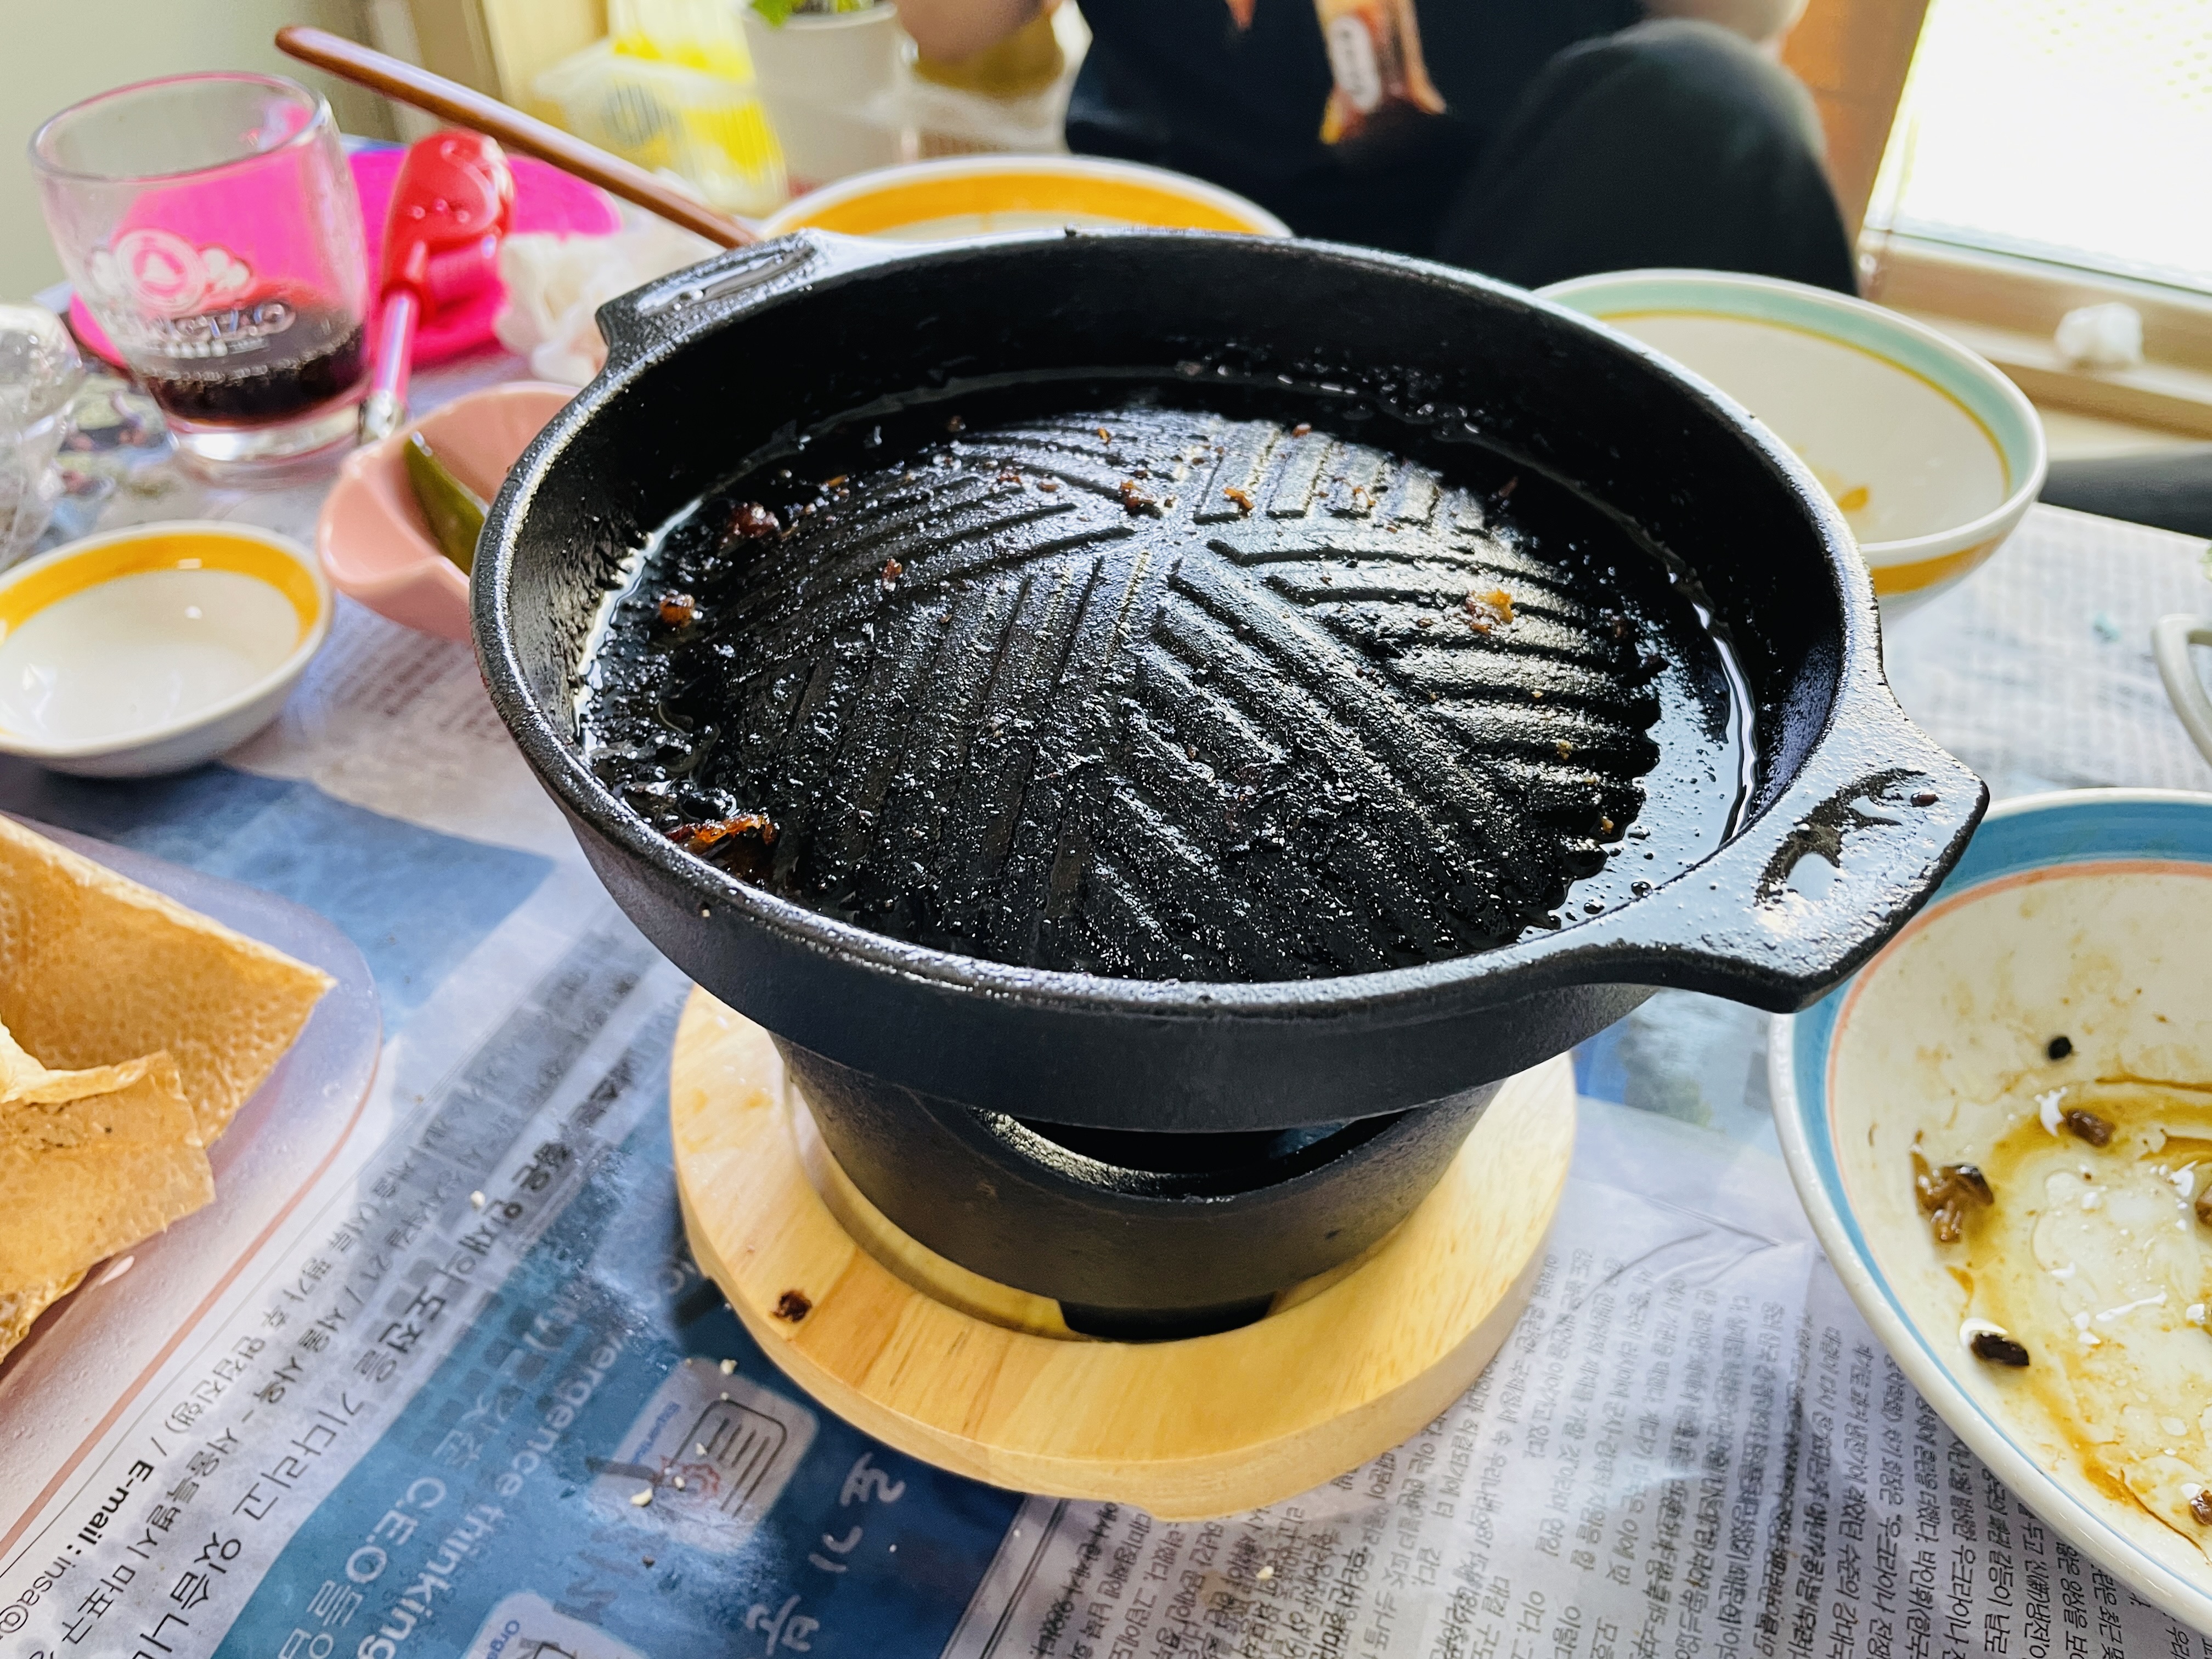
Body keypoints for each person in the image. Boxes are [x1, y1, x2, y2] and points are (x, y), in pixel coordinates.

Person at [895, 0, 1857, 295]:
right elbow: (944, 26)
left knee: (1717, 98)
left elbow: (1741, 24)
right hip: (1170, 240)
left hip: (1487, 262)